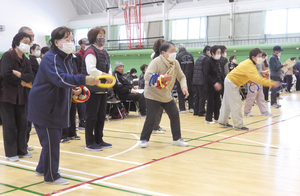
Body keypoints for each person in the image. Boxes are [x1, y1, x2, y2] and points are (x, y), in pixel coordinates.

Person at [28, 26, 100, 185]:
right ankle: (51, 176)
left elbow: (67, 80)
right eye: (66, 39)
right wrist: (85, 79)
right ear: (56, 42)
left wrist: (74, 89)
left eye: (72, 39)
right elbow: (60, 78)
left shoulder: (68, 58)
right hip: (44, 107)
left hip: (57, 105)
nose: (71, 42)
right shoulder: (51, 58)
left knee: (49, 141)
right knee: (51, 141)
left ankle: (42, 168)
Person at [140, 41, 189, 148]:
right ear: (163, 53)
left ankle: (176, 139)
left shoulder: (175, 63)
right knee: (151, 118)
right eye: (171, 51)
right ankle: (144, 139)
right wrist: (162, 77)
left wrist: (184, 87)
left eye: (175, 51)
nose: (174, 53)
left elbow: (182, 77)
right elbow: (147, 76)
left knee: (175, 115)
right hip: (152, 94)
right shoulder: (156, 62)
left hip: (166, 95)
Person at [218, 48, 280, 130]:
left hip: (230, 80)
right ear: (253, 57)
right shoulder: (249, 64)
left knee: (227, 103)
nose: (261, 58)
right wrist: (271, 83)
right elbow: (258, 79)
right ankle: (238, 125)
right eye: (259, 56)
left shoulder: (248, 63)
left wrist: (248, 81)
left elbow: (242, 72)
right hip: (232, 82)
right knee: (237, 103)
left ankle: (223, 121)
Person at [0, 32, 34, 162]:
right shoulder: (8, 56)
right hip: (7, 95)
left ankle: (22, 150)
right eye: (24, 42)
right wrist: (21, 81)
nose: (26, 45)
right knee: (9, 125)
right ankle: (11, 152)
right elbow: (6, 74)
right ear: (17, 42)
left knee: (23, 123)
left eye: (28, 43)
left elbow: (30, 76)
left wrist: (19, 74)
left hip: (22, 96)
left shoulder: (26, 59)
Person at [81, 26, 113, 151]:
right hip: (92, 88)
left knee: (101, 116)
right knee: (92, 116)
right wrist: (105, 75)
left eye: (103, 35)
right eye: (100, 36)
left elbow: (108, 66)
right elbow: (91, 70)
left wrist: (109, 75)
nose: (102, 38)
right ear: (93, 37)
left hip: (103, 88)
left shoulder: (104, 51)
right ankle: (90, 142)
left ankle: (99, 140)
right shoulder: (90, 51)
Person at [244, 52, 272, 117]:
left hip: (259, 80)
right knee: (251, 96)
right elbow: (252, 71)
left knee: (261, 96)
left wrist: (263, 73)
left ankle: (264, 110)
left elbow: (258, 71)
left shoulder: (258, 62)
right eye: (260, 56)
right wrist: (262, 72)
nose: (261, 58)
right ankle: (247, 111)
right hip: (252, 81)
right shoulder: (250, 61)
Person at [203, 45, 223, 124]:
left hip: (218, 86)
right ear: (212, 53)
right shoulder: (208, 61)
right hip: (210, 86)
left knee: (218, 102)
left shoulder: (218, 61)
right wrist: (214, 83)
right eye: (217, 52)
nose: (219, 54)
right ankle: (208, 119)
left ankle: (217, 117)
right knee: (210, 102)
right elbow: (206, 75)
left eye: (220, 52)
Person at [75, 38, 89, 129]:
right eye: (86, 43)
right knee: (81, 100)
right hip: (81, 80)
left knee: (87, 100)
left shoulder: (89, 53)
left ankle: (86, 119)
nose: (87, 45)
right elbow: (78, 69)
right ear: (81, 45)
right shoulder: (78, 55)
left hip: (88, 79)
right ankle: (82, 121)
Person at [176, 44, 194, 113]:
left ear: (179, 49)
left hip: (181, 76)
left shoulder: (178, 56)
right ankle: (191, 107)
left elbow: (176, 67)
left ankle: (182, 108)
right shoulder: (191, 55)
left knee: (180, 92)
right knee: (190, 91)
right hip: (190, 76)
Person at [193, 46, 211, 117]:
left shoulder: (200, 57)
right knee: (202, 96)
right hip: (201, 80)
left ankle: (196, 111)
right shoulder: (206, 58)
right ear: (207, 51)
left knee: (197, 96)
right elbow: (205, 71)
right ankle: (201, 111)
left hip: (195, 80)